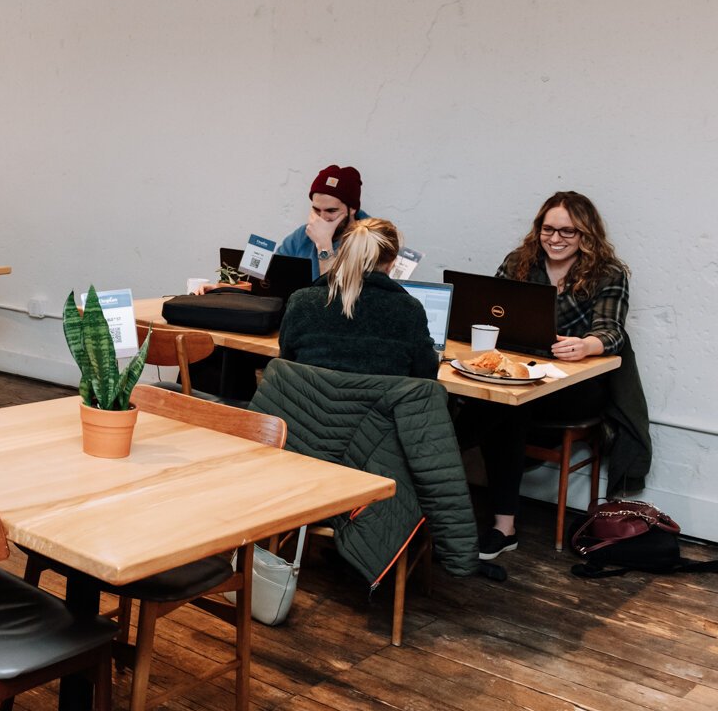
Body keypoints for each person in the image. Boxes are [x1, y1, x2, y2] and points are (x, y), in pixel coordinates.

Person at [459, 191, 648, 561]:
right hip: (524, 375)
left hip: (578, 386)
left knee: (506, 407)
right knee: (508, 405)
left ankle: (443, 452)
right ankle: (504, 526)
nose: (555, 239)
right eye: (548, 229)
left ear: (586, 235)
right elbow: (489, 307)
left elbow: (611, 331)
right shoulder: (521, 262)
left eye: (568, 232)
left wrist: (587, 345)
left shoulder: (608, 273)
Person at [279, 217, 438, 379]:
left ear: (344, 255)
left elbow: (286, 362)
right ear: (392, 264)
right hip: (379, 404)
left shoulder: (302, 302)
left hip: (308, 402)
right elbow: (426, 376)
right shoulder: (409, 311)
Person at [277, 164, 369, 280]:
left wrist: (324, 246)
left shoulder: (375, 240)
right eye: (316, 210)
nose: (322, 218)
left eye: (331, 211)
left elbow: (337, 294)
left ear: (352, 209)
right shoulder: (302, 236)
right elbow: (274, 273)